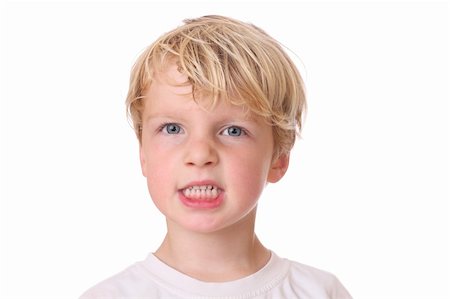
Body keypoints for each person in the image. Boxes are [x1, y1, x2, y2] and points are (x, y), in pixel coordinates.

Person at [80, 15, 352, 299]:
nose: (200, 154)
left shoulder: (320, 292)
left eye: (233, 131)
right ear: (143, 154)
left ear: (279, 157)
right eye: (172, 128)